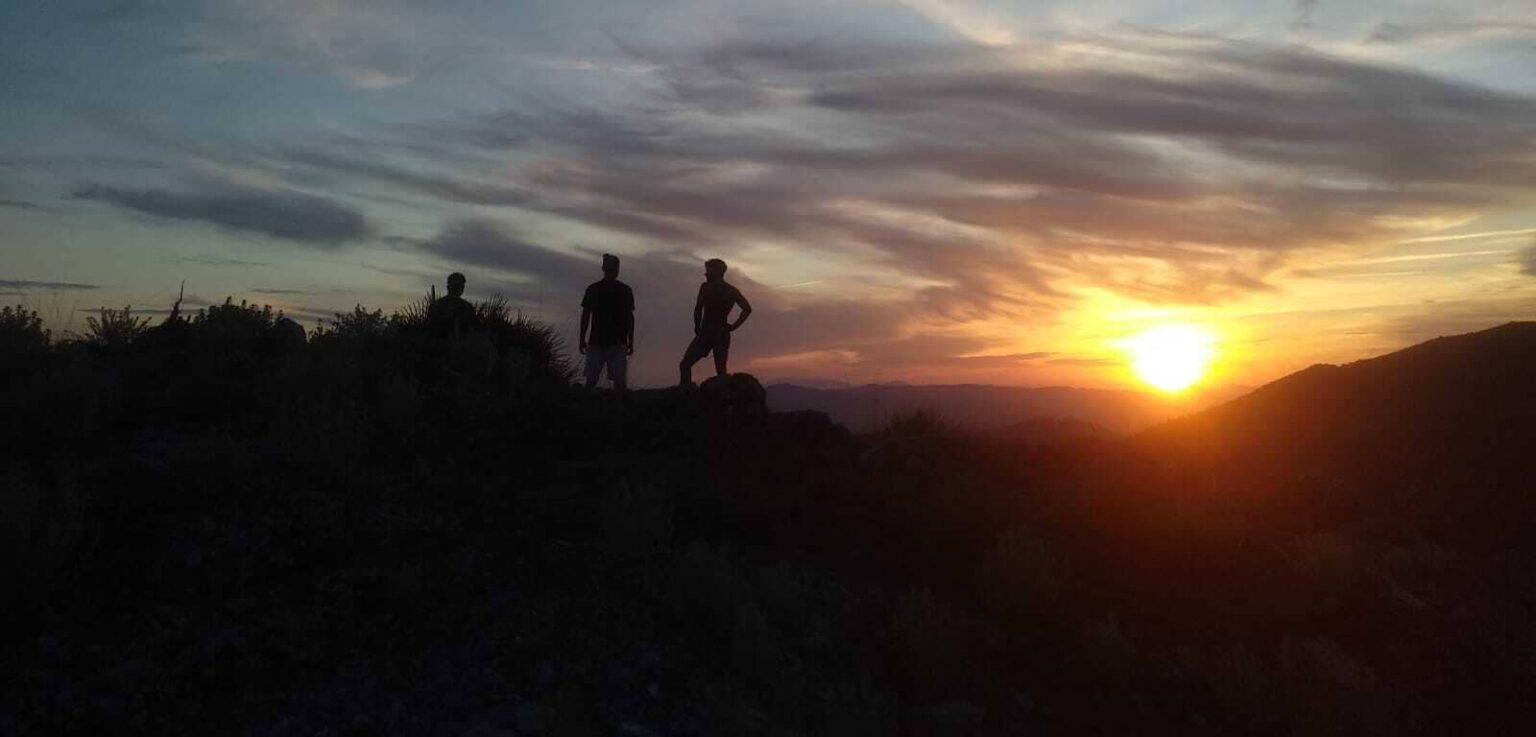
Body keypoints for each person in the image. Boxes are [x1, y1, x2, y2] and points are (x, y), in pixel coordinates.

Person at [679, 258, 751, 386]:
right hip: (721, 332)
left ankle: (686, 394)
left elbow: (698, 308)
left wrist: (698, 327)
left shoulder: (706, 287)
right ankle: (721, 399)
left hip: (707, 331)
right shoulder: (731, 290)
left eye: (709, 270)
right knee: (721, 372)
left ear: (717, 272)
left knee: (686, 364)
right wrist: (733, 326)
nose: (706, 274)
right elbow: (747, 309)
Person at [579, 254, 635, 390]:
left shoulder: (593, 289)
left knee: (592, 381)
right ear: (617, 270)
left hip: (601, 342)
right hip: (613, 342)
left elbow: (585, 316)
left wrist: (581, 338)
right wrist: (630, 340)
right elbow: (630, 318)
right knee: (618, 383)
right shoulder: (625, 290)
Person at [426, 272, 477, 338]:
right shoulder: (437, 306)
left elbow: (474, 329)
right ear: (448, 287)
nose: (459, 288)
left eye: (461, 286)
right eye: (457, 285)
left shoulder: (467, 307)